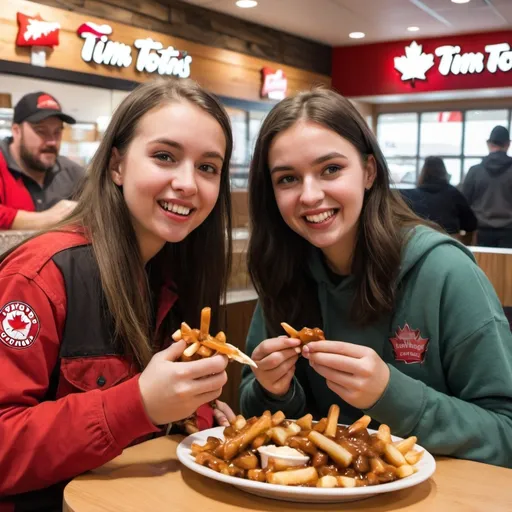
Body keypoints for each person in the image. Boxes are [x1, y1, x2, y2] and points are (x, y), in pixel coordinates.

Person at [240, 88, 512, 468]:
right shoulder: (282, 271)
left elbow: (506, 432)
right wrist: (272, 391)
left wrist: (390, 393)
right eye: (287, 178)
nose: (310, 195)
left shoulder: (445, 272)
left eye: (331, 169)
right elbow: (250, 409)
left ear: (368, 171)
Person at [0, 78, 235, 511]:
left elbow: (173, 407)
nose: (187, 183)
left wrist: (193, 412)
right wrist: (139, 403)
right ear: (116, 166)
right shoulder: (40, 276)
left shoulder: (175, 272)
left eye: (208, 167)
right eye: (164, 156)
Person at [0, 91, 84, 230]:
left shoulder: (73, 173)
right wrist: (45, 219)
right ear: (16, 131)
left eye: (57, 132)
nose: (52, 141)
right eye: (41, 131)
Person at [401, 156, 477, 237]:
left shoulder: (411, 195)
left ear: (423, 172)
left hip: (419, 240)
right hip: (448, 241)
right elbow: (471, 224)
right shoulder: (454, 194)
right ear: (444, 172)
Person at [462, 125, 512, 247]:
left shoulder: (475, 171)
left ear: (488, 144)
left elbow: (464, 203)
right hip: (509, 232)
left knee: (484, 265)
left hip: (482, 232)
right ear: (508, 144)